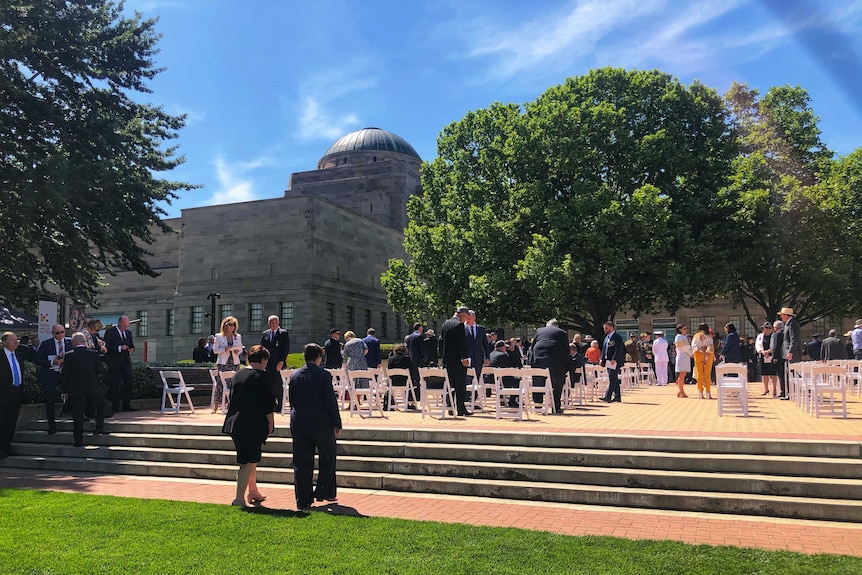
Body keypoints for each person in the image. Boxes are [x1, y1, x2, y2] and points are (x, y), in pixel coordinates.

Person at [289, 343, 342, 510]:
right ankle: (323, 491)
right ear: (319, 357)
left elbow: (292, 400)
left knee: (302, 461)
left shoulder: (295, 376)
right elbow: (330, 401)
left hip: (299, 421)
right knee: (328, 456)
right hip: (321, 422)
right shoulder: (324, 375)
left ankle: (303, 499)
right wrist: (337, 422)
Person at [225, 345, 274, 507]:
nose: (267, 363)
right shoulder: (262, 376)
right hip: (252, 424)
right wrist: (270, 424)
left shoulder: (237, 375)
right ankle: (239, 499)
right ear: (263, 360)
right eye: (266, 360)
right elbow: (268, 404)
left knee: (251, 458)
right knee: (246, 461)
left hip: (234, 423)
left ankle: (253, 491)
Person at [59, 332, 111, 447]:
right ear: (84, 342)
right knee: (102, 405)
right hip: (93, 387)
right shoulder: (93, 354)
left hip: (76, 389)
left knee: (77, 414)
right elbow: (100, 370)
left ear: (74, 342)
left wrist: (64, 390)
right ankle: (99, 427)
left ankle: (78, 440)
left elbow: (65, 374)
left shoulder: (69, 355)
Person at [36, 324, 73, 433]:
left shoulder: (70, 342)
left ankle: (79, 417)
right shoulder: (46, 344)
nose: (60, 335)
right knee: (49, 399)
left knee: (76, 395)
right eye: (57, 333)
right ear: (53, 333)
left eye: (62, 332)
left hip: (66, 374)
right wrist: (52, 362)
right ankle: (52, 425)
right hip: (51, 373)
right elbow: (38, 360)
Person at [531, 318, 570, 412]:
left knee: (537, 380)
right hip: (555, 358)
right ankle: (556, 406)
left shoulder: (539, 331)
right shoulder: (562, 333)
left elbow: (532, 346)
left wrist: (532, 361)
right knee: (557, 382)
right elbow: (566, 350)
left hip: (539, 357)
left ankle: (538, 404)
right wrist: (566, 367)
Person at [440, 306, 471, 416]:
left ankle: (450, 406)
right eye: (466, 317)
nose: (466, 319)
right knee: (460, 384)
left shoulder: (445, 324)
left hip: (447, 360)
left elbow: (441, 343)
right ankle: (461, 408)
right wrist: (465, 358)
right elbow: (461, 343)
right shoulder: (459, 325)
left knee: (450, 384)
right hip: (458, 360)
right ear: (462, 314)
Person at [103, 315, 136, 413]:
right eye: (124, 325)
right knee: (115, 384)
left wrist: (131, 349)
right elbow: (106, 346)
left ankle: (126, 404)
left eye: (127, 325)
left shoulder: (128, 333)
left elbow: (131, 345)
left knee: (129, 381)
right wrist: (119, 348)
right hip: (114, 361)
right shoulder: (110, 332)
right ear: (119, 323)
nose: (125, 327)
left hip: (125, 361)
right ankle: (115, 406)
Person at [0, 332, 24, 458]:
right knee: (2, 421)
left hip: (16, 393)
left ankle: (7, 445)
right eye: (12, 340)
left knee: (12, 422)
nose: (16, 342)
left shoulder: (18, 356)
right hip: (3, 395)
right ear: (4, 342)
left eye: (17, 340)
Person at [213, 316, 243, 413]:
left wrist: (237, 351)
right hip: (223, 362)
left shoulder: (237, 336)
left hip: (234, 362)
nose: (231, 327)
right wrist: (224, 349)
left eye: (233, 325)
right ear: (225, 326)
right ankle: (216, 405)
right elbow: (215, 350)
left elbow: (240, 348)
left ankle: (231, 404)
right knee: (220, 383)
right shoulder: (219, 336)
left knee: (233, 383)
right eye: (230, 325)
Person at [261, 315, 290, 412]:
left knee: (278, 385)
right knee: (269, 385)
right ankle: (272, 404)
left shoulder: (283, 333)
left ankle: (280, 404)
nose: (273, 324)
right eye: (271, 322)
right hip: (267, 364)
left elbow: (285, 349)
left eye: (274, 322)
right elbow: (262, 348)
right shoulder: (265, 334)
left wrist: (282, 361)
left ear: (278, 323)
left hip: (278, 363)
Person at [600, 320, 626, 403]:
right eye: (604, 328)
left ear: (611, 327)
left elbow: (618, 349)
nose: (604, 329)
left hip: (614, 361)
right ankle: (617, 396)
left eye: (606, 328)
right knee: (613, 378)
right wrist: (602, 359)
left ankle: (608, 396)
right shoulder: (606, 338)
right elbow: (604, 349)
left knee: (612, 377)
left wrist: (614, 359)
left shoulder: (617, 337)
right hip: (608, 361)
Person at [779, 307, 801, 400]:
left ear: (786, 315)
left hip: (792, 353)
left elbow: (794, 339)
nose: (781, 316)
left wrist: (790, 351)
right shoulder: (788, 324)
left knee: (793, 373)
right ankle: (790, 393)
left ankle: (793, 392)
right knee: (789, 373)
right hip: (787, 352)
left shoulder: (792, 324)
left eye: (782, 315)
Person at [387, 343, 415, 408]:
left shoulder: (391, 359)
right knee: (411, 382)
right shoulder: (407, 359)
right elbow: (411, 372)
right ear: (405, 351)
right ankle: (409, 402)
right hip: (405, 382)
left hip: (393, 382)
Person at [691, 323, 714, 399]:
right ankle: (708, 392)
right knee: (707, 373)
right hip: (708, 354)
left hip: (698, 354)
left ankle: (700, 392)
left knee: (699, 373)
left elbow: (694, 346)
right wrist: (706, 354)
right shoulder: (709, 336)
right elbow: (710, 346)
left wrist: (700, 351)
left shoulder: (696, 336)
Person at [755, 322, 777, 396]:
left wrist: (768, 351)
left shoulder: (774, 336)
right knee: (764, 374)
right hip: (763, 356)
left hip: (772, 356)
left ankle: (774, 389)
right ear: (763, 328)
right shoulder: (760, 336)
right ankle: (766, 389)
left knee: (773, 373)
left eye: (769, 328)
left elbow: (774, 346)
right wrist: (762, 352)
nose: (768, 329)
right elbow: (757, 345)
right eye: (766, 328)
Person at [405, 322, 425, 398]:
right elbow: (422, 349)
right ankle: (418, 395)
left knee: (413, 378)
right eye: (422, 327)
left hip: (411, 360)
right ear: (419, 327)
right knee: (419, 378)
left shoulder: (409, 337)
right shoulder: (419, 336)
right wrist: (425, 357)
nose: (422, 329)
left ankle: (413, 395)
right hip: (419, 360)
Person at [673, 324, 691, 398]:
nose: (686, 330)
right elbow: (682, 347)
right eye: (684, 328)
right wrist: (691, 353)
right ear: (680, 329)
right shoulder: (678, 337)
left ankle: (680, 391)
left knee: (683, 374)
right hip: (682, 356)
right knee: (682, 374)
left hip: (686, 356)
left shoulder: (683, 337)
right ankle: (681, 391)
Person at [771, 320, 785, 399]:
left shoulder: (777, 334)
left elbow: (776, 347)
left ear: (775, 328)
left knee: (781, 375)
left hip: (779, 357)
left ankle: (783, 391)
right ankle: (786, 391)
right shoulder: (785, 332)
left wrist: (775, 357)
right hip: (785, 356)